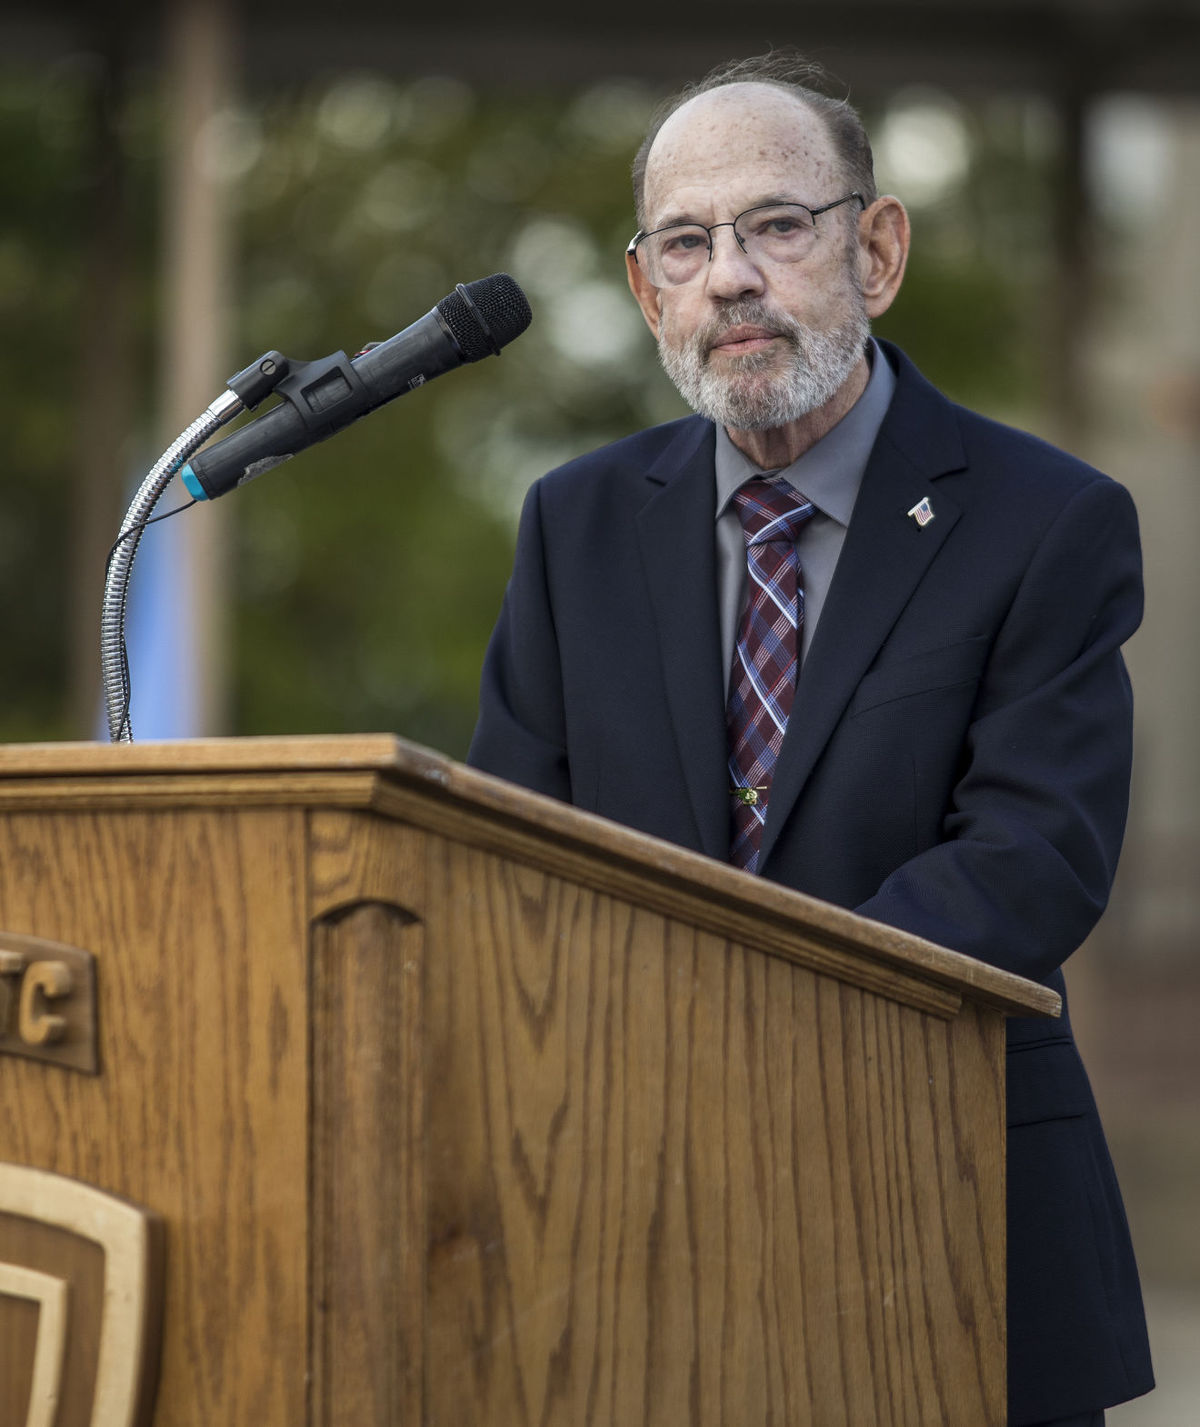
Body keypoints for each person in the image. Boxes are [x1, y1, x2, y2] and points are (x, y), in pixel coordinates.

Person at [468, 51, 1154, 1427]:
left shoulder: (1044, 522)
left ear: (877, 250)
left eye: (777, 226)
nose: (730, 276)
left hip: (946, 1210)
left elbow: (1033, 861)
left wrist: (748, 1010)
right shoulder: (575, 528)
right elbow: (509, 859)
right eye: (686, 242)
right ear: (645, 288)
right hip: (631, 1232)